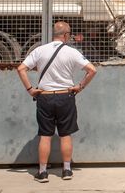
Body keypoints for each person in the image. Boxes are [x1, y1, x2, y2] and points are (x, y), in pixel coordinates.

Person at [17, 21, 97, 183]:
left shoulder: (39, 50)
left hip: (44, 97)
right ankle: (66, 170)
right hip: (65, 96)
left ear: (54, 34)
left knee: (45, 136)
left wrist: (30, 90)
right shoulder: (72, 52)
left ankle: (42, 172)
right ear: (66, 35)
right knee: (65, 134)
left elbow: (21, 69)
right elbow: (92, 70)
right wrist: (79, 87)